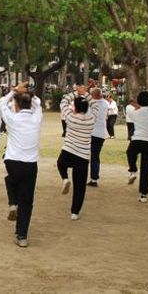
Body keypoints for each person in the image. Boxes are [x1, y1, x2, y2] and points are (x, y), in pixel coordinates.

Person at [0, 82, 43, 247]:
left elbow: (1, 103)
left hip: (12, 161)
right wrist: (29, 93)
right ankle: (22, 235)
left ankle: (12, 202)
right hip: (30, 164)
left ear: (16, 105)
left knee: (10, 180)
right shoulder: (36, 118)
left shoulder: (12, 118)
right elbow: (38, 104)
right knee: (27, 201)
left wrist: (14, 91)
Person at [57, 84, 98, 220]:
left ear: (75, 107)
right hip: (83, 155)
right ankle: (75, 212)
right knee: (80, 186)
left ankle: (65, 178)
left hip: (68, 150)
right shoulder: (91, 120)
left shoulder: (70, 118)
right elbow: (95, 106)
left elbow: (63, 102)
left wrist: (76, 93)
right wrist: (85, 93)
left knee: (60, 164)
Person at [126, 91, 148, 203]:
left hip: (137, 140)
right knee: (145, 170)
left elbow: (135, 113)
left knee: (130, 153)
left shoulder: (134, 112)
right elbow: (146, 112)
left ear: (139, 101)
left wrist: (136, 106)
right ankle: (143, 194)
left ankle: (133, 170)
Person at [87, 87, 109, 187]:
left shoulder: (91, 104)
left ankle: (87, 176)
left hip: (91, 132)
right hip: (100, 134)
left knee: (85, 155)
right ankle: (94, 178)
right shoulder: (105, 103)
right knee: (95, 156)